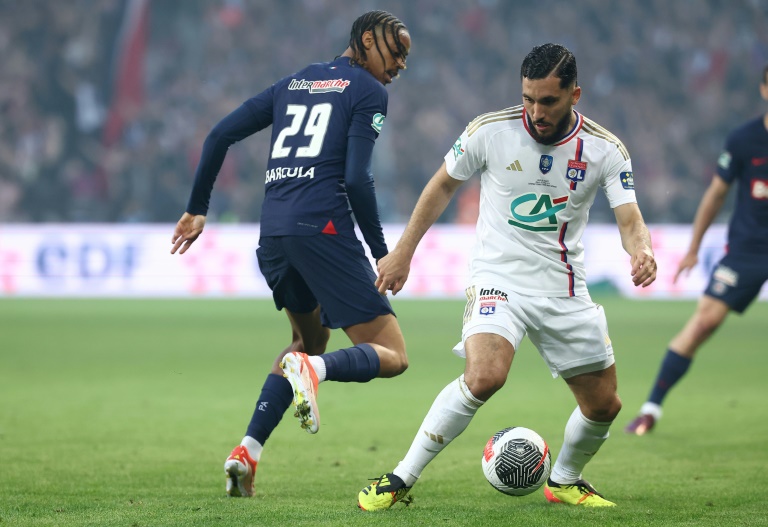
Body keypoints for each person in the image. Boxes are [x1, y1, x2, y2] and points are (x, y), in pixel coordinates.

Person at [357, 43, 657, 511]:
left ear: (574, 94)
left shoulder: (604, 149)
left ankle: (565, 480)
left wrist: (642, 250)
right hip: (499, 278)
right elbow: (442, 185)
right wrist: (403, 252)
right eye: (528, 99)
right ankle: (399, 478)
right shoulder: (488, 131)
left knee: (604, 406)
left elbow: (629, 218)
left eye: (549, 101)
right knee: (484, 376)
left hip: (564, 287)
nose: (536, 112)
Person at [170, 11, 411, 497]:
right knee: (393, 355)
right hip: (324, 228)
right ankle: (316, 373)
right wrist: (385, 253)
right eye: (396, 50)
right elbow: (355, 179)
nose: (401, 63)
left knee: (306, 341)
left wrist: (198, 209)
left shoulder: (293, 83)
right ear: (367, 39)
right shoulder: (368, 92)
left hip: (275, 233)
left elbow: (219, 134)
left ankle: (247, 452)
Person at [625, 64, 768, 436]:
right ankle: (651, 409)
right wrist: (692, 249)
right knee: (703, 322)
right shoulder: (744, 140)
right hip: (748, 250)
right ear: (764, 90)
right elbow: (716, 195)